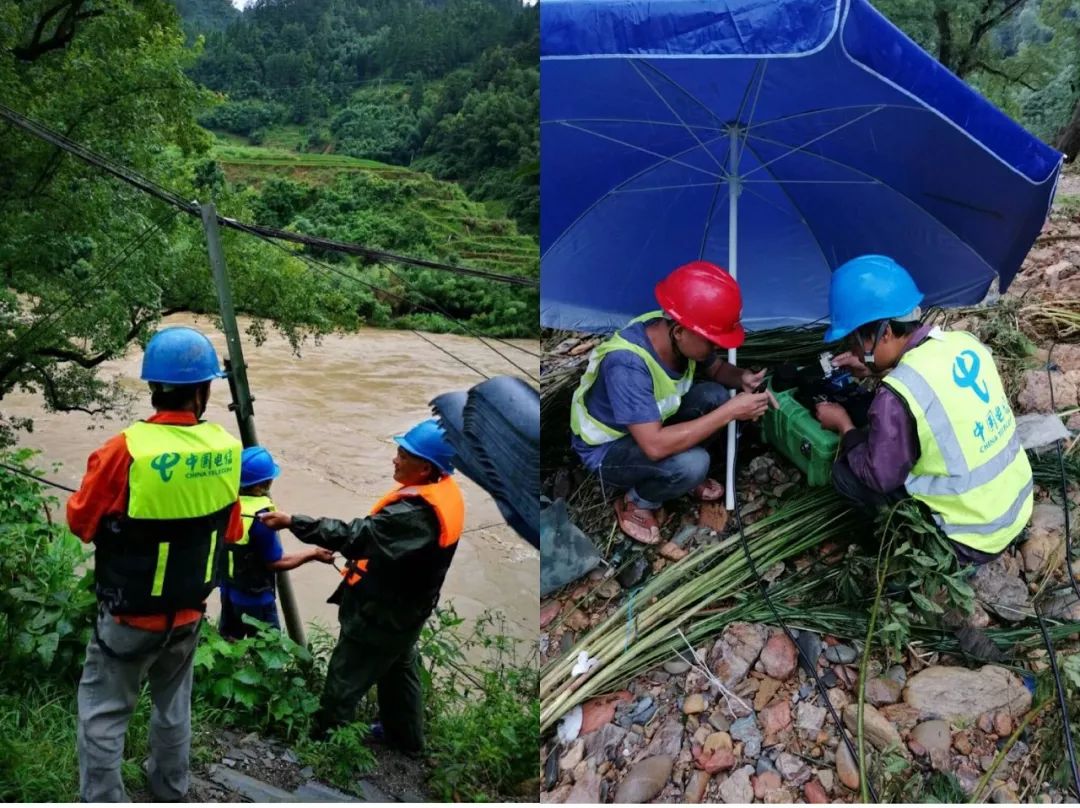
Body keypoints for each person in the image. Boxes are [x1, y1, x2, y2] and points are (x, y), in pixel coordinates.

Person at [66, 325, 244, 802]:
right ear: (205, 391)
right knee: (174, 707)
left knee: (104, 713)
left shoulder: (124, 450)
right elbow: (231, 532)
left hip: (128, 613)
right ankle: (171, 790)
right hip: (189, 611)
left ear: (152, 389)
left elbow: (80, 523)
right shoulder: (228, 450)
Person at [259, 419, 463, 753]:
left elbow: (354, 537)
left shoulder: (413, 515)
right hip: (408, 610)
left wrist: (293, 522)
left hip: (381, 615)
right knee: (399, 672)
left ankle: (325, 747)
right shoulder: (444, 494)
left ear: (425, 468)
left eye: (402, 455)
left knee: (344, 677)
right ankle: (406, 740)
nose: (394, 460)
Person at [815, 254, 1033, 565]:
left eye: (854, 342)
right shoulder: (963, 343)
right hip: (1015, 508)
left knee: (846, 474)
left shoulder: (896, 396)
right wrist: (872, 366)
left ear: (885, 333)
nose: (852, 350)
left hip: (970, 538)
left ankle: (892, 558)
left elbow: (878, 477)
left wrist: (844, 427)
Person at [569, 260, 776, 544]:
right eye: (712, 342)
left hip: (648, 424)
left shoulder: (678, 328)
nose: (715, 348)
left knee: (715, 395)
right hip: (610, 450)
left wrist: (742, 378)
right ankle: (638, 502)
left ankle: (679, 478)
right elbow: (654, 446)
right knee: (693, 463)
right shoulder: (627, 365)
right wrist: (729, 412)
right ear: (679, 332)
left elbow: (716, 370)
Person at [219, 446, 335, 640]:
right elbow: (275, 562)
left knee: (230, 643)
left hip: (228, 592)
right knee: (268, 653)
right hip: (256, 599)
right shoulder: (262, 518)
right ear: (260, 486)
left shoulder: (225, 505)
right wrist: (313, 554)